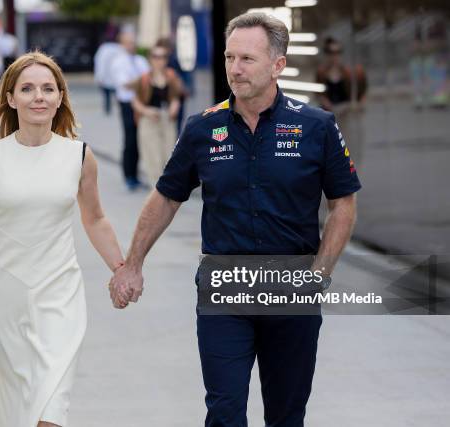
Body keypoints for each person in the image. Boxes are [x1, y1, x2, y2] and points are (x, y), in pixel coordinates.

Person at [109, 12, 361, 427]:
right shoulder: (202, 129)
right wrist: (132, 263)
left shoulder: (316, 126)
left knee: (286, 414)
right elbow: (166, 197)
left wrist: (319, 275)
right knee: (224, 413)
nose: (234, 69)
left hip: (290, 285)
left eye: (247, 58)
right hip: (224, 285)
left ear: (278, 65)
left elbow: (343, 204)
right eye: (229, 57)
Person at [0, 51, 124, 427]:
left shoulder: (80, 156)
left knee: (52, 408)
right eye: (28, 88)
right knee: (18, 415)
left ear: (60, 97)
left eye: (48, 88)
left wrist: (121, 268)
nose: (39, 96)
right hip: (8, 304)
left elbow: (96, 219)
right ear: (11, 98)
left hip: (61, 300)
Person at [131, 43, 183, 187]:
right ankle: (156, 190)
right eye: (155, 56)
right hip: (149, 120)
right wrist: (146, 111)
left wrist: (174, 106)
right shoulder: (143, 78)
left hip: (167, 119)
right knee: (152, 157)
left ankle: (168, 189)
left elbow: (176, 97)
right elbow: (134, 101)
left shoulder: (171, 76)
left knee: (169, 156)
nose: (159, 60)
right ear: (150, 59)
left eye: (162, 57)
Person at [316, 37, 367, 165]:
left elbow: (363, 90)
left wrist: (357, 104)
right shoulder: (322, 72)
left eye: (337, 52)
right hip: (330, 114)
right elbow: (319, 92)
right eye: (331, 53)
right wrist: (326, 103)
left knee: (348, 144)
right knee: (331, 147)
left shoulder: (349, 72)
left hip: (346, 112)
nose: (334, 56)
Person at [110, 31, 150, 191]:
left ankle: (136, 175)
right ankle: (129, 176)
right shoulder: (118, 62)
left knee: (141, 138)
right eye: (128, 42)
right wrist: (141, 81)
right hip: (127, 104)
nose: (131, 45)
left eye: (133, 42)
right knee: (130, 139)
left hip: (142, 102)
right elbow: (125, 84)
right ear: (122, 44)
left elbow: (149, 78)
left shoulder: (140, 60)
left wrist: (139, 82)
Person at [93, 35, 121, 115]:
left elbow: (99, 63)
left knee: (107, 95)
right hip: (115, 77)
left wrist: (99, 76)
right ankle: (120, 107)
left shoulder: (103, 49)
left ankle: (107, 109)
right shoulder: (118, 48)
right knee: (118, 93)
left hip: (105, 77)